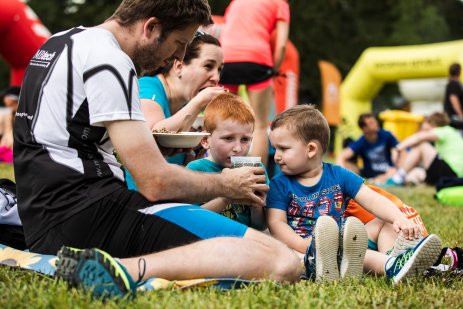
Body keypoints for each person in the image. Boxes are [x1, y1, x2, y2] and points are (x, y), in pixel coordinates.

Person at [13, 0, 301, 298]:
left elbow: (66, 138)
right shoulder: (109, 60)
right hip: (88, 215)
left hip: (44, 215)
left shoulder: (61, 42)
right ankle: (125, 270)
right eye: (179, 43)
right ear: (151, 27)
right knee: (281, 261)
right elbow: (155, 183)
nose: (177, 57)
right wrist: (225, 184)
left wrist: (156, 151)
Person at [266, 104, 442, 284]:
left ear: (311, 149)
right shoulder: (279, 184)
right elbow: (276, 223)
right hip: (304, 248)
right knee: (288, 256)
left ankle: (392, 257)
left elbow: (373, 200)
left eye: (283, 149)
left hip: (345, 241)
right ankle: (389, 266)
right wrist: (304, 245)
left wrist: (399, 218)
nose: (276, 156)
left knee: (383, 221)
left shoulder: (339, 175)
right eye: (275, 149)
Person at [125, 31, 224, 189]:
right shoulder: (147, 86)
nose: (216, 78)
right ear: (179, 66)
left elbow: (185, 166)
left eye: (219, 69)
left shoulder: (186, 105)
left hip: (170, 192)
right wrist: (198, 103)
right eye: (208, 66)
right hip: (140, 198)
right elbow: (156, 133)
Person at [219, 0, 290, 167]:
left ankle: (222, 171)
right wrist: (274, 70)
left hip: (226, 57)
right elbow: (281, 45)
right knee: (259, 125)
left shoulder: (236, 2)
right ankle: (258, 180)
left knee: (226, 120)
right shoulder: (280, 4)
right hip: (257, 58)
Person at [186, 92, 266, 230]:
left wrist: (256, 206)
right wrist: (226, 198)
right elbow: (191, 220)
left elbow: (260, 226)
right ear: (205, 140)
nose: (238, 148)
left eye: (245, 139)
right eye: (228, 138)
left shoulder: (255, 170)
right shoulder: (195, 170)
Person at [385, 112, 463, 186]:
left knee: (422, 145)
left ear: (432, 124)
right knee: (415, 173)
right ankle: (407, 180)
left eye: (425, 127)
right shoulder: (451, 133)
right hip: (452, 173)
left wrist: (398, 148)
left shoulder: (444, 130)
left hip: (453, 173)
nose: (423, 130)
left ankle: (397, 178)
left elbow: (419, 138)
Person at [336, 113, 400, 185]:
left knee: (394, 171)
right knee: (347, 164)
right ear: (364, 128)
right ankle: (376, 180)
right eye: (371, 123)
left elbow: (400, 148)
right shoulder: (361, 142)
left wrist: (396, 163)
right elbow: (342, 156)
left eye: (375, 121)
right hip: (369, 173)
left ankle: (379, 180)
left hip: (388, 170)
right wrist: (341, 176)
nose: (376, 124)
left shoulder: (386, 135)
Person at [0, 86, 20, 163]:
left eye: (5, 97)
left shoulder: (22, 113)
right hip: (7, 148)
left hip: (15, 150)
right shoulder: (10, 114)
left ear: (11, 99)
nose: (4, 99)